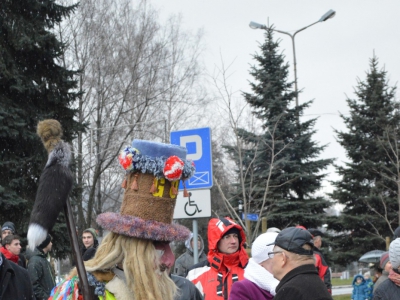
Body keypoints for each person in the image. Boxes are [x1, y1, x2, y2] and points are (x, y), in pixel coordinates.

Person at [49, 139, 196, 300]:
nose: (170, 259)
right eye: (158, 247)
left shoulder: (172, 291)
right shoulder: (81, 290)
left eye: (169, 245)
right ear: (131, 245)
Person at [187, 217, 249, 299]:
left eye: (235, 236)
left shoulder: (252, 270)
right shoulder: (195, 273)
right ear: (216, 241)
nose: (233, 241)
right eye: (227, 237)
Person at [268, 227, 332, 300]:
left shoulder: (290, 291)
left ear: (283, 258)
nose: (272, 260)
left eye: (273, 254)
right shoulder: (318, 285)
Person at [230, 232, 280, 300]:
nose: (282, 261)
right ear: (261, 262)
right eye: (276, 255)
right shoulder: (244, 288)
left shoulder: (292, 282)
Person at [27, 234, 56, 300]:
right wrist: (47, 298)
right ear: (45, 244)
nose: (51, 244)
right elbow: (34, 285)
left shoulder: (43, 258)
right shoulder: (35, 261)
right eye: (50, 242)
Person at [308, 228, 332, 294]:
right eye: (320, 240)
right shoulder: (316, 256)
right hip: (320, 292)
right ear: (317, 241)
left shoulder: (307, 254)